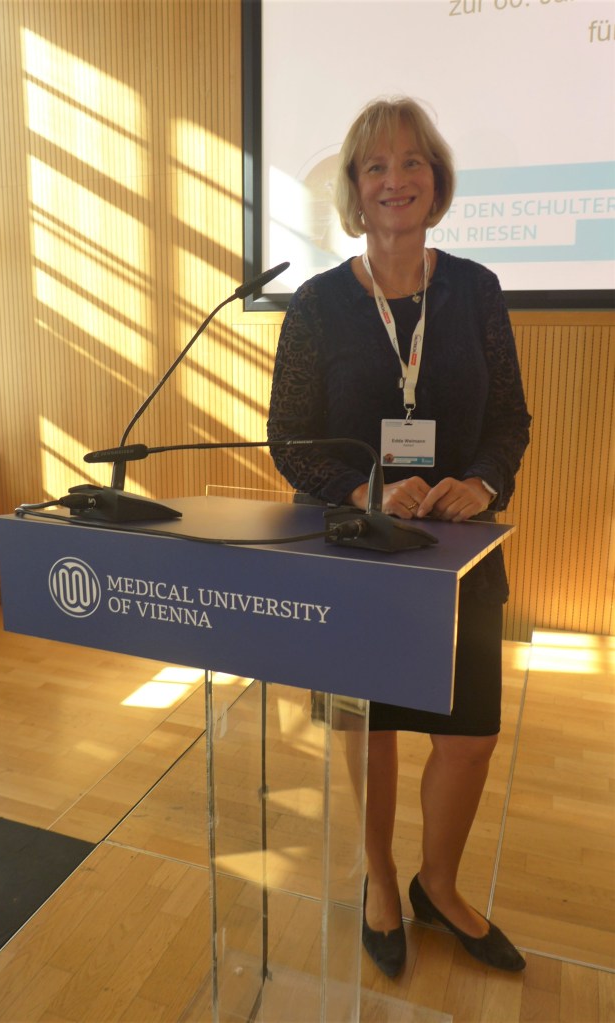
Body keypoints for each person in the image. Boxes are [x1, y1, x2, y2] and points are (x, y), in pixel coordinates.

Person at [267, 97, 531, 977]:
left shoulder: (476, 291)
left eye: (412, 161)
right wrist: (363, 486)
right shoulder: (317, 305)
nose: (395, 180)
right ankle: (380, 878)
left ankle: (438, 884)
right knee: (369, 727)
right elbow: (289, 439)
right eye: (376, 166)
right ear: (354, 186)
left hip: (461, 556)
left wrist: (482, 480)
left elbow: (511, 420)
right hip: (357, 556)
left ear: (436, 179)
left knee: (469, 735)